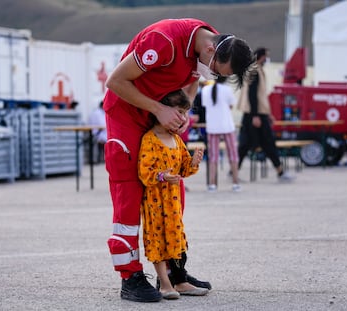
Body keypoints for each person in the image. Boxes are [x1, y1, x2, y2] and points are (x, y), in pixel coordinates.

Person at [103, 18, 255, 303]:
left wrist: (181, 115)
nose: (213, 76)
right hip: (127, 115)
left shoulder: (205, 44)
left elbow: (192, 82)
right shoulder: (164, 42)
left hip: (158, 116)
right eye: (216, 72)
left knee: (173, 193)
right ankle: (130, 276)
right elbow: (115, 82)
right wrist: (158, 109)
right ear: (210, 50)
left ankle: (174, 273)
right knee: (129, 195)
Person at [138, 90, 207, 300]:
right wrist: (162, 176)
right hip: (155, 203)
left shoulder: (176, 140)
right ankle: (165, 283)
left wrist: (193, 162)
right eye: (179, 112)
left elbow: (183, 169)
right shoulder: (150, 140)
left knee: (176, 239)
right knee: (157, 240)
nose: (183, 119)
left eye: (185, 113)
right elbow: (144, 171)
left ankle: (181, 281)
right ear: (162, 111)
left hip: (173, 205)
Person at [238, 47, 293, 181]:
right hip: (254, 114)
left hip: (255, 113)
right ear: (260, 57)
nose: (267, 59)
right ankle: (280, 171)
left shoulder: (256, 70)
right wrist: (256, 115)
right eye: (266, 57)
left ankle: (234, 169)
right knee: (265, 141)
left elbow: (260, 95)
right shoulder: (255, 71)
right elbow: (252, 95)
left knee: (247, 143)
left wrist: (267, 114)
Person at [202, 76, 241, 192]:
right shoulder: (227, 89)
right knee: (233, 155)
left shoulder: (205, 90)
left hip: (212, 126)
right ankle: (235, 182)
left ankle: (212, 184)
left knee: (213, 157)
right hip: (227, 126)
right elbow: (231, 105)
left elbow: (205, 106)